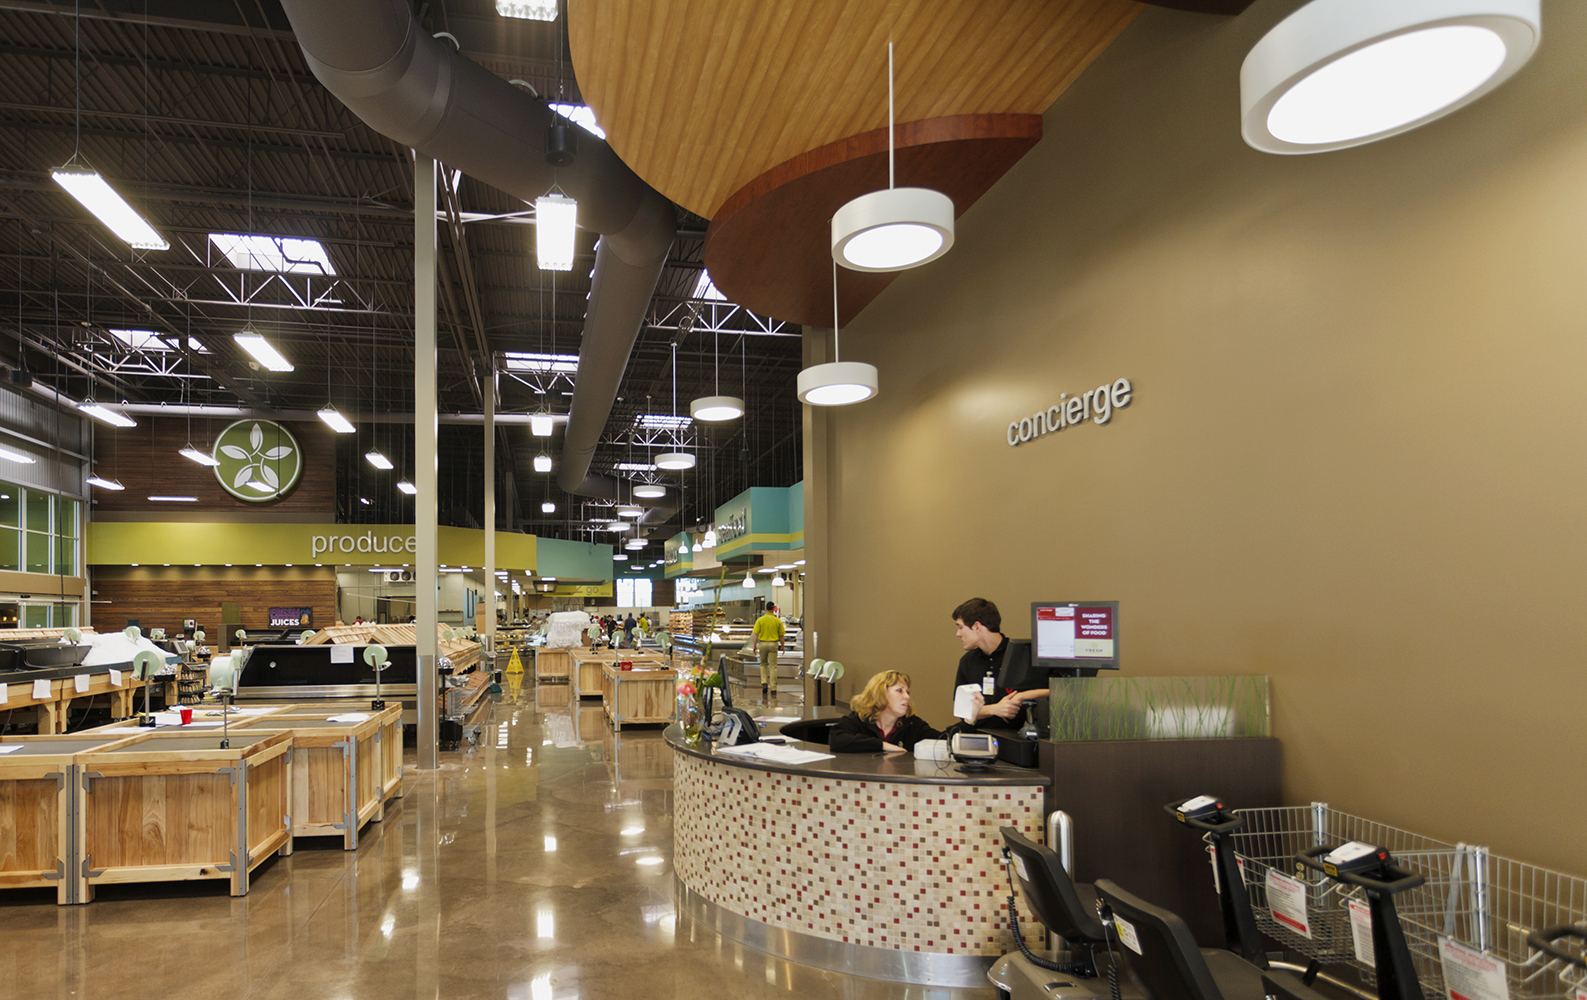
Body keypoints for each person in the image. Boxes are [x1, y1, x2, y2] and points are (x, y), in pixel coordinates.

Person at [952, 597, 1049, 730]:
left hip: (1020, 736)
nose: (958, 634)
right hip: (981, 737)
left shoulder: (1024, 654)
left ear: (976, 626)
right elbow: (962, 711)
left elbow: (1055, 691)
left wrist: (1021, 696)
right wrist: (995, 709)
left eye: (960, 627)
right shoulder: (968, 661)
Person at [830, 670, 942, 753]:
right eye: (899, 691)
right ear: (881, 694)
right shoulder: (860, 719)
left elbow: (941, 739)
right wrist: (882, 745)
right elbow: (837, 739)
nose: (907, 696)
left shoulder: (912, 724)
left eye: (907, 692)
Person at [752, 603, 786, 704]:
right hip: (773, 644)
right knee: (773, 666)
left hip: (763, 644)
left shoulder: (760, 620)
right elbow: (781, 635)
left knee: (763, 664)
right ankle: (774, 687)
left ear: (766, 608)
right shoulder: (777, 621)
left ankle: (764, 683)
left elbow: (755, 634)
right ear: (774, 609)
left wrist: (754, 645)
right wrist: (783, 646)